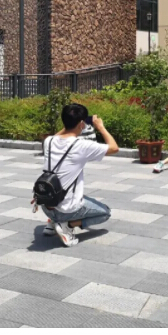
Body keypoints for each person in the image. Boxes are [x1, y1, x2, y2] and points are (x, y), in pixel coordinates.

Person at [33, 103, 119, 247]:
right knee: (105, 213)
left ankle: (53, 222)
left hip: (46, 205)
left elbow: (59, 135)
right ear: (81, 124)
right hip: (67, 209)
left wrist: (69, 124)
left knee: (67, 191)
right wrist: (100, 127)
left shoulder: (49, 141)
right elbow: (114, 148)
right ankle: (67, 225)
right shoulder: (81, 145)